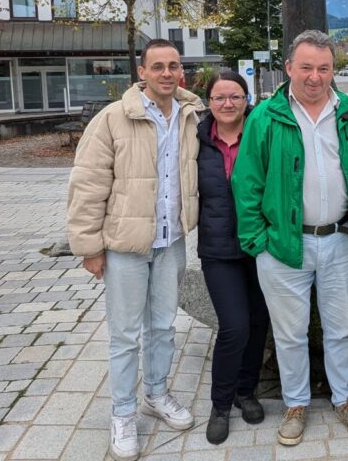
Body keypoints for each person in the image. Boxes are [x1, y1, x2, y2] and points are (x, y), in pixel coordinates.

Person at [231, 30, 348, 446]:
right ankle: (296, 403)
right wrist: (258, 241)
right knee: (290, 333)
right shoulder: (267, 116)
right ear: (289, 67)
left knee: (341, 328)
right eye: (307, 67)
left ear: (333, 71)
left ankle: (345, 398)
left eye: (324, 68)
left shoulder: (346, 112)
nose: (315, 76)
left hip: (337, 241)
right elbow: (246, 183)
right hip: (282, 246)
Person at [67, 39, 201, 461]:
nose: (166, 73)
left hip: (171, 242)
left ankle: (156, 395)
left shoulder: (191, 116)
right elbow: (88, 183)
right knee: (125, 336)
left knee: (163, 327)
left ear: (181, 71)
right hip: (125, 247)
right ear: (141, 72)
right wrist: (89, 247)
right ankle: (123, 412)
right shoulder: (112, 119)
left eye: (173, 66)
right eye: (157, 66)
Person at [196, 71, 270, 445]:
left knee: (258, 322)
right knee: (234, 326)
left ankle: (246, 391)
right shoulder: (195, 140)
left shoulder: (260, 131)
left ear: (246, 99)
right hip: (218, 250)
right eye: (220, 97)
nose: (228, 104)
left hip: (260, 246)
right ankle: (221, 403)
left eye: (235, 97)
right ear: (209, 102)